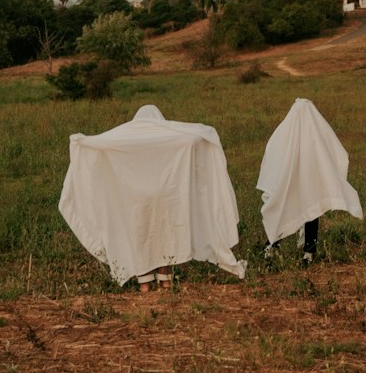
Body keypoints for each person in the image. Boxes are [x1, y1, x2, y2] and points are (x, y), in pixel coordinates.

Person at [58, 104, 246, 290]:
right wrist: (206, 133)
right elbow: (192, 139)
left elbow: (103, 143)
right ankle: (165, 279)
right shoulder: (168, 134)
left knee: (141, 237)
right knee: (165, 236)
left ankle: (145, 283)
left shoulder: (126, 136)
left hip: (135, 200)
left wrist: (81, 141)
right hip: (166, 196)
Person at [258, 98, 363, 264]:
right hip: (309, 185)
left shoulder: (286, 132)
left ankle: (272, 246)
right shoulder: (316, 134)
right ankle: (308, 252)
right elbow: (333, 152)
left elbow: (272, 153)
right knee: (312, 211)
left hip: (290, 186)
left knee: (284, 210)